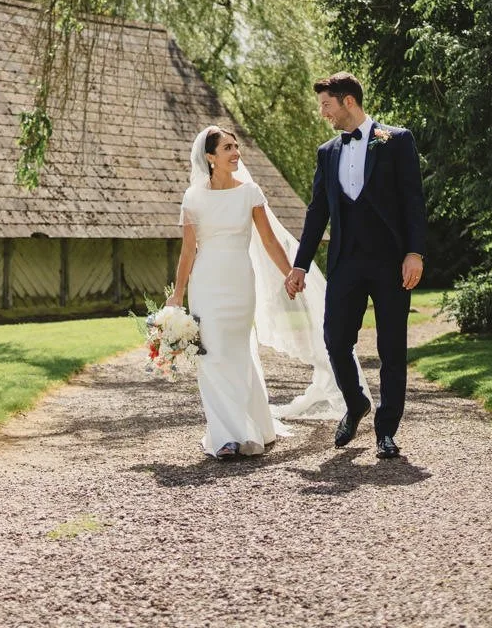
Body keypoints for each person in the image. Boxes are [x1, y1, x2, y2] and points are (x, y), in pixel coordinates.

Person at [168, 125, 356, 457]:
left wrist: (290, 274)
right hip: (206, 283)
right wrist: (177, 294)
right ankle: (226, 436)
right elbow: (187, 251)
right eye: (227, 147)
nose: (236, 152)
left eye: (236, 146)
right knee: (210, 355)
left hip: (240, 281)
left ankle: (251, 424)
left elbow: (269, 240)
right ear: (210, 157)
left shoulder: (250, 193)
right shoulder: (193, 197)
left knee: (236, 353)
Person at [285, 73, 427, 460]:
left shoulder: (397, 140)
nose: (323, 113)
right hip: (346, 262)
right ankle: (356, 402)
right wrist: (300, 266)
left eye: (326, 105)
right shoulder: (327, 152)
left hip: (391, 263)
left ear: (348, 101)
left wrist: (414, 252)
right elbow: (318, 214)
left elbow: (413, 201)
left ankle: (386, 431)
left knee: (391, 348)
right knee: (334, 339)